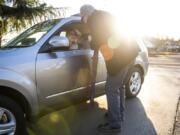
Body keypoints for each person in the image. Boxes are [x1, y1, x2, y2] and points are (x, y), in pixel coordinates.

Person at [80, 5, 139, 133]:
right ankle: (118, 114)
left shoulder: (94, 20)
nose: (82, 20)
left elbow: (96, 43)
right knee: (120, 86)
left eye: (82, 17)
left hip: (121, 58)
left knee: (111, 88)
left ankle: (115, 124)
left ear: (86, 14)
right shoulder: (102, 15)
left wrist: (89, 38)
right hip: (131, 53)